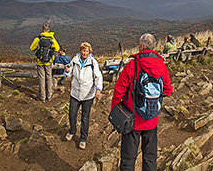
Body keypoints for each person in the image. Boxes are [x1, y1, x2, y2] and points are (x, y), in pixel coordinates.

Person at [111, 33, 172, 171]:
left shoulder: (133, 65)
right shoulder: (161, 65)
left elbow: (118, 90)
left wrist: (115, 112)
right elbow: (168, 90)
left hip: (132, 121)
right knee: (150, 158)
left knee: (128, 160)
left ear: (141, 46)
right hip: (152, 120)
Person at [63, 42, 102, 150]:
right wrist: (67, 71)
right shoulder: (74, 60)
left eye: (87, 51)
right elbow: (70, 73)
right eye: (83, 50)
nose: (84, 53)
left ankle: (83, 139)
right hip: (75, 93)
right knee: (72, 114)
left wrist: (98, 88)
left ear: (89, 52)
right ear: (80, 51)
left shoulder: (93, 63)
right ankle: (72, 131)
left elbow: (98, 76)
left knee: (85, 118)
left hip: (87, 95)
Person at [29, 23, 60, 102]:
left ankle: (42, 97)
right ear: (48, 30)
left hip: (40, 62)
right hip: (48, 62)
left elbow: (32, 48)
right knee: (49, 78)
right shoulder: (52, 39)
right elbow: (57, 48)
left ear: (42, 30)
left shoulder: (38, 39)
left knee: (41, 78)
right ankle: (49, 95)